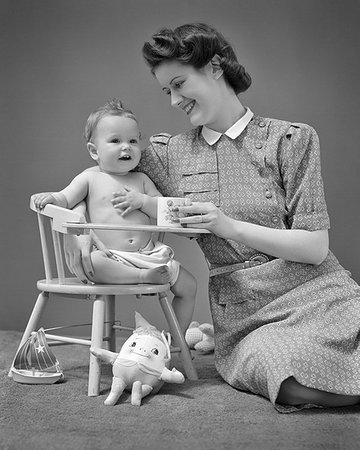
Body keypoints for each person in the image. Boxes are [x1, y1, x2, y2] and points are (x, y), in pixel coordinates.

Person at [65, 24, 360, 413]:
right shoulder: (166, 154)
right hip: (245, 311)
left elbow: (315, 247)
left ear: (216, 66)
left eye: (179, 83)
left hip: (320, 290)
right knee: (288, 370)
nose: (173, 101)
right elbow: (100, 175)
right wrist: (79, 229)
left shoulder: (290, 139)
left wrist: (226, 224)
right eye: (166, 90)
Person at [32, 98, 196, 334]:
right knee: (95, 262)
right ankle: (142, 276)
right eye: (115, 141)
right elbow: (65, 199)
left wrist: (143, 201)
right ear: (94, 151)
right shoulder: (90, 178)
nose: (126, 147)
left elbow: (165, 212)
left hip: (148, 254)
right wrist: (51, 198)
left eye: (132, 141)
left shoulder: (142, 180)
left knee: (189, 286)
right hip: (111, 257)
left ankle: (175, 339)